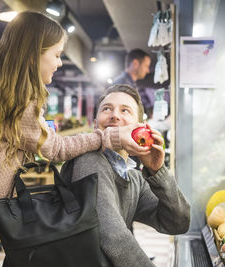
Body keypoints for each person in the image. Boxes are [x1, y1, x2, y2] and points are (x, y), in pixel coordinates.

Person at [0, 12, 149, 267]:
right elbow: (55, 149)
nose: (59, 63)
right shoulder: (18, 102)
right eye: (57, 55)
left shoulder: (0, 89)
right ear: (33, 53)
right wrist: (107, 137)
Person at [63, 84, 190, 267]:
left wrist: (157, 171)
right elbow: (114, 238)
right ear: (95, 122)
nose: (114, 115)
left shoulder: (132, 177)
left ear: (140, 127)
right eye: (106, 109)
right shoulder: (89, 161)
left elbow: (177, 222)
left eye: (125, 110)